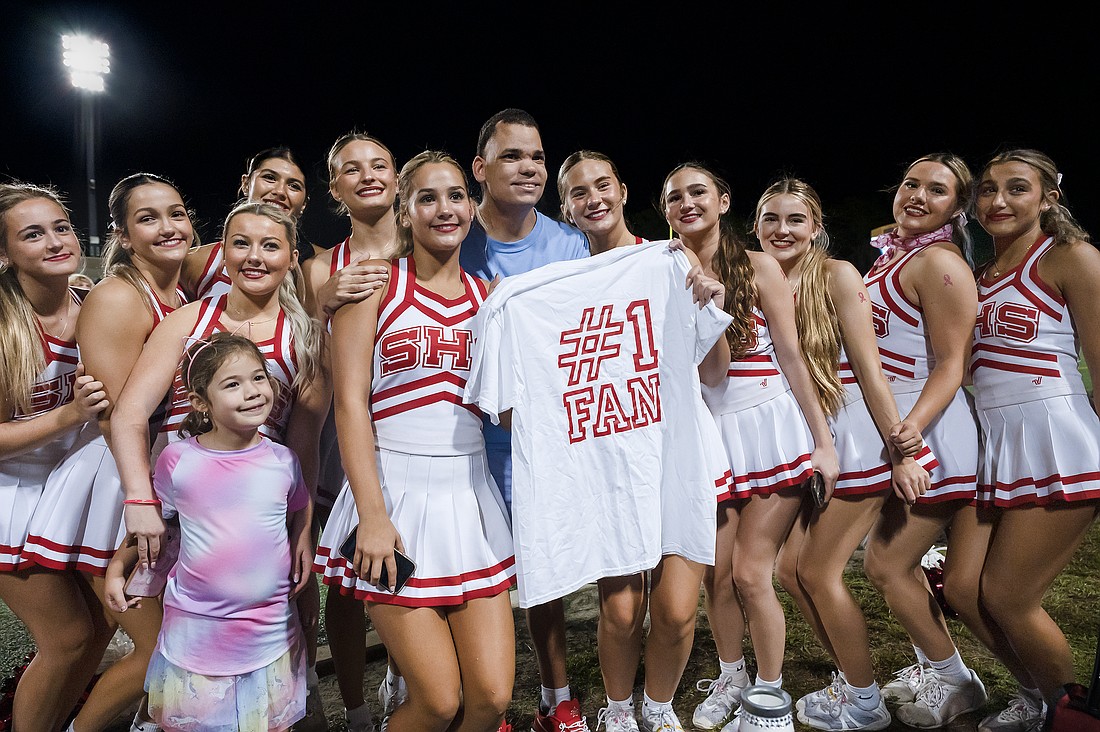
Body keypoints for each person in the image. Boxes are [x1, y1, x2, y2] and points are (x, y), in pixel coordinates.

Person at [314, 150, 515, 731]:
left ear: (473, 208)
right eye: (427, 198)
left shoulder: (490, 299)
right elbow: (350, 407)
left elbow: (506, 413)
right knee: (437, 702)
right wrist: (373, 517)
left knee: (490, 699)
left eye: (456, 196)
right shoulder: (374, 285)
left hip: (470, 497)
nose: (444, 209)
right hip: (393, 496)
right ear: (405, 212)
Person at [793, 154, 987, 731]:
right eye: (910, 184)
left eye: (937, 190)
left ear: (958, 207)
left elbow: (951, 365)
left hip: (921, 429)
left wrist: (910, 435)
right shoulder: (893, 256)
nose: (918, 196)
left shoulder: (940, 263)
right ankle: (944, 672)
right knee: (888, 566)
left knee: (867, 566)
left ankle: (936, 684)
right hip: (885, 426)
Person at [660, 164, 840, 730]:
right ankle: (732, 674)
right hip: (708, 433)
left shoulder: (758, 266)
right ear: (664, 210)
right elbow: (707, 375)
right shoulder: (662, 269)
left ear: (723, 200)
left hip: (768, 428)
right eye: (674, 197)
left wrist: (823, 443)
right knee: (715, 574)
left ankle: (768, 693)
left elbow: (792, 357)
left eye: (698, 192)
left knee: (750, 573)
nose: (687, 203)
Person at [21, 172, 195, 732]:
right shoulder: (119, 297)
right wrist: (144, 500)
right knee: (157, 645)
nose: (167, 227)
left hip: (155, 473)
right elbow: (121, 418)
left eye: (176, 213)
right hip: (118, 482)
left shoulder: (178, 293)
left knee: (133, 638)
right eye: (148, 218)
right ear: (121, 233)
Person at [556, 152, 718, 732]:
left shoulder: (670, 260)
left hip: (677, 453)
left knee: (675, 611)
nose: (593, 198)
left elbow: (714, 369)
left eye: (603, 185)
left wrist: (708, 303)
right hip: (613, 460)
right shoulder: (564, 285)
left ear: (623, 191)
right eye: (578, 192)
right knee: (622, 611)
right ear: (567, 209)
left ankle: (658, 707)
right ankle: (619, 712)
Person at [104, 332, 314, 731]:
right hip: (196, 633)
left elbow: (299, 510)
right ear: (201, 402)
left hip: (269, 633)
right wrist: (118, 567)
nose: (252, 392)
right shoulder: (177, 461)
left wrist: (305, 554)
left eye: (258, 378)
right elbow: (157, 524)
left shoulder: (284, 461)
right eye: (233, 384)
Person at [459, 108, 590, 732]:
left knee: (544, 573)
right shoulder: (452, 233)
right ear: (480, 168)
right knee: (470, 579)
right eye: (512, 155)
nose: (530, 167)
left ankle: (554, 696)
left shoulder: (569, 244)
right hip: (462, 439)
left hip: (541, 441)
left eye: (537, 157)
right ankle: (473, 700)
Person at [968, 149, 1100, 732]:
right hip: (995, 440)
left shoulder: (1072, 257)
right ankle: (1039, 700)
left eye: (1016, 188)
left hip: (1056, 438)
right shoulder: (979, 273)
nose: (998, 200)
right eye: (987, 189)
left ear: (1049, 198)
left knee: (1007, 595)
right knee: (966, 589)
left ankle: (1072, 719)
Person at [301, 130, 404, 732]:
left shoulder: (433, 240)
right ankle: (355, 709)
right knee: (344, 583)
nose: (368, 176)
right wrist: (321, 305)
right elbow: (307, 364)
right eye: (352, 169)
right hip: (346, 437)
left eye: (379, 164)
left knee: (418, 565)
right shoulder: (321, 267)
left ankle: (403, 677)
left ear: (397, 177)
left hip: (421, 436)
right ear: (335, 189)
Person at [0, 181, 110, 732]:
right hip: (11, 493)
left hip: (70, 485)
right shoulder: (5, 326)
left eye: (61, 227)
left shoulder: (95, 305)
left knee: (100, 630)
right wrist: (69, 416)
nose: (55, 242)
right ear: (5, 254)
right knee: (67, 638)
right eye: (32, 234)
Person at [180, 146, 312, 302]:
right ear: (246, 183)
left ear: (304, 204)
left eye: (294, 186)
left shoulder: (318, 265)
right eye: (269, 178)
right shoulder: (197, 262)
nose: (280, 191)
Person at [557, 150, 644, 254]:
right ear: (567, 212)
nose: (594, 200)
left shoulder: (658, 256)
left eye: (603, 186)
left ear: (623, 192)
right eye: (580, 194)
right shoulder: (565, 264)